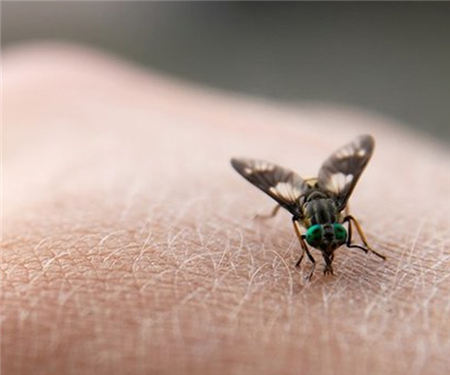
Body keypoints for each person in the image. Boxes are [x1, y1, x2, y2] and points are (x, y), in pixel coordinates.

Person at [3, 43, 449, 375]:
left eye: (329, 238)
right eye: (321, 237)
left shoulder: (339, 210)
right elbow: (297, 211)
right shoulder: (298, 210)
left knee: (339, 215)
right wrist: (300, 243)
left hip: (324, 192)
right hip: (305, 195)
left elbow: (347, 209)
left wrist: (361, 246)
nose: (331, 238)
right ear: (310, 231)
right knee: (289, 204)